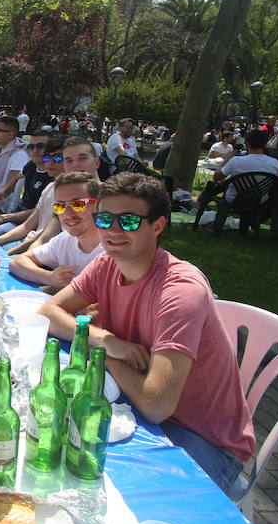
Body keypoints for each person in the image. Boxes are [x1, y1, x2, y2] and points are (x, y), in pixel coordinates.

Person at [39, 174, 255, 495]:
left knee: (83, 483)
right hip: (137, 407)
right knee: (52, 442)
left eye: (127, 220)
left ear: (157, 226)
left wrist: (105, 359)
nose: (113, 231)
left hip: (203, 441)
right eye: (104, 219)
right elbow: (48, 313)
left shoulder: (180, 290)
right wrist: (105, 340)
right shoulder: (106, 265)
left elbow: (157, 405)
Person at [9, 172, 103, 294]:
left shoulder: (110, 251)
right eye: (60, 206)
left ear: (97, 205)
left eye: (78, 204)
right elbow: (17, 262)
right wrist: (49, 277)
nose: (68, 214)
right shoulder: (65, 240)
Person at [0, 136, 65, 252]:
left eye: (58, 158)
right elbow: (27, 226)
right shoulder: (50, 187)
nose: (51, 163)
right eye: (47, 157)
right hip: (26, 237)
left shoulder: (69, 196)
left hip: (40, 250)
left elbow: (43, 238)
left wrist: (8, 254)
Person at [0, 130, 52, 237]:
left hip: (24, 226)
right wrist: (3, 192)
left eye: (40, 146)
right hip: (11, 217)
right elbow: (17, 177)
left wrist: (5, 218)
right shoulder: (31, 165)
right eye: (31, 146)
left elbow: (38, 213)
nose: (34, 150)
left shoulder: (53, 177)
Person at [212, 129, 278, 204]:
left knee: (213, 186)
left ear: (247, 144)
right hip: (259, 201)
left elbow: (216, 177)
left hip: (235, 201)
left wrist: (225, 160)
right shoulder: (274, 163)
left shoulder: (236, 161)